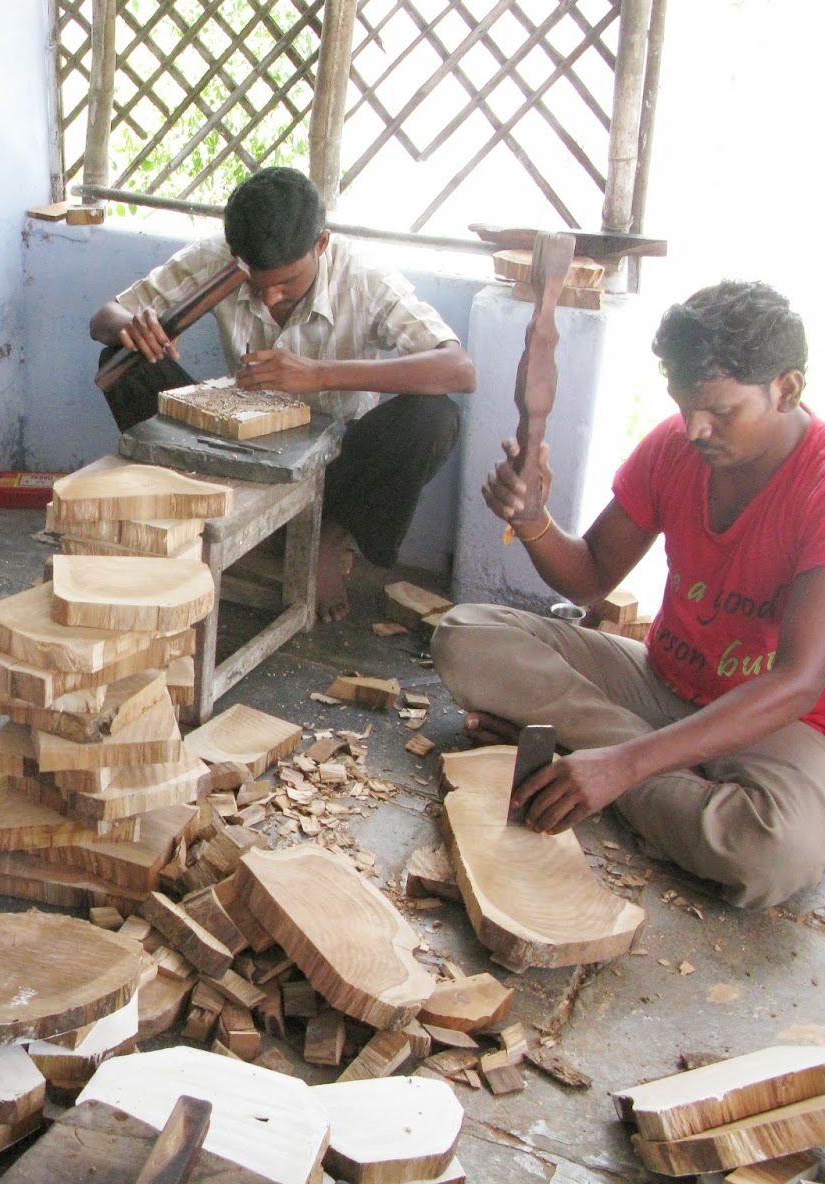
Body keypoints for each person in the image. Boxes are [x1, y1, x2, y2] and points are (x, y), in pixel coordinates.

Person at [433, 280, 825, 911]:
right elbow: (590, 576)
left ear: (788, 389)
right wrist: (532, 520)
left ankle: (595, 762)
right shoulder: (675, 444)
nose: (695, 428)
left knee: (774, 853)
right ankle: (646, 780)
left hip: (775, 724)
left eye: (721, 412)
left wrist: (623, 765)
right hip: (660, 682)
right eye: (684, 402)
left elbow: (800, 682)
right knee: (467, 635)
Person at [90, 166, 475, 621]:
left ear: (322, 244)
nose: (271, 298)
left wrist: (320, 375)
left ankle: (326, 540)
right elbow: (104, 319)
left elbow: (458, 369)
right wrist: (133, 328)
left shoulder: (364, 277)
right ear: (236, 256)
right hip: (236, 450)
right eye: (258, 282)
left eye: (287, 283)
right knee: (121, 365)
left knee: (435, 418)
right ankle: (202, 519)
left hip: (334, 468)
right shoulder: (221, 259)